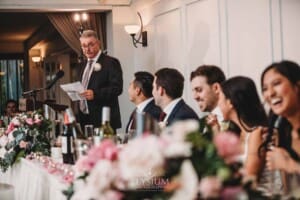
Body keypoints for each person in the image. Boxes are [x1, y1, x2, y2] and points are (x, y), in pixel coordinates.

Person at [218, 76, 276, 193]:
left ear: (230, 103)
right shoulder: (239, 134)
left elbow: (249, 178)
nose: (218, 104)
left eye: (220, 98)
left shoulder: (256, 134)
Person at [78, 30, 123, 132]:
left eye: (90, 45)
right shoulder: (81, 65)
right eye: (84, 46)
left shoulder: (111, 62)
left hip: (104, 120)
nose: (87, 49)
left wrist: (96, 94)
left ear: (98, 43)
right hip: (84, 118)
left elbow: (117, 88)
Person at [261, 61, 300, 176]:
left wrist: (289, 165)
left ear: (297, 86)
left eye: (277, 83)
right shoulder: (283, 129)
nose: (270, 93)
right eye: (265, 88)